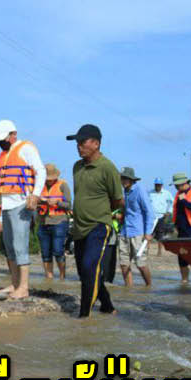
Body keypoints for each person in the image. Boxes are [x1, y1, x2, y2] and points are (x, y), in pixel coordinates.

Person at [68, 124, 124, 317]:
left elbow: (118, 199)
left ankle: (83, 317)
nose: (79, 146)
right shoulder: (77, 167)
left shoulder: (107, 168)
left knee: (89, 266)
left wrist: (103, 214)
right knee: (86, 272)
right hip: (79, 227)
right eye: (77, 142)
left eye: (82, 142)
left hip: (99, 225)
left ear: (96, 143)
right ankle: (107, 306)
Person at [0, 119, 46, 300]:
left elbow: (41, 170)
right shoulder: (3, 156)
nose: (1, 142)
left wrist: (36, 195)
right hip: (6, 205)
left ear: (13, 134)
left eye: (4, 138)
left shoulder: (26, 148)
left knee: (20, 244)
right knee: (9, 246)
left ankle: (24, 287)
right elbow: (2, 184)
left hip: (22, 203)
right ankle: (15, 283)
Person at [116, 166, 154, 287]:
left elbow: (149, 212)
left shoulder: (139, 190)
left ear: (132, 179)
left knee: (140, 264)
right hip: (124, 231)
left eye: (126, 179)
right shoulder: (125, 192)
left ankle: (149, 286)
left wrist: (148, 233)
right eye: (122, 178)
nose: (123, 181)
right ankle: (129, 288)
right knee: (123, 263)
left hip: (138, 232)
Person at [37, 163, 72, 280]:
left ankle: (62, 276)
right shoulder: (39, 186)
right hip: (43, 222)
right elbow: (33, 203)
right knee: (45, 253)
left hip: (59, 222)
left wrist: (57, 202)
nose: (49, 181)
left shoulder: (63, 185)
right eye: (47, 179)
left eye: (51, 179)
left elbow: (68, 205)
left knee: (58, 251)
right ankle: (49, 277)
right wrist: (41, 202)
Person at [148, 178, 174, 255]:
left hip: (161, 216)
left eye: (159, 185)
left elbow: (172, 203)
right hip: (151, 217)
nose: (157, 186)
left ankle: (159, 251)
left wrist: (169, 211)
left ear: (162, 185)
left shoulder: (167, 194)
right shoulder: (149, 193)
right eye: (156, 185)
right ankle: (146, 250)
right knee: (149, 233)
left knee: (160, 234)